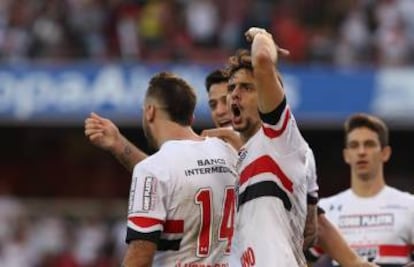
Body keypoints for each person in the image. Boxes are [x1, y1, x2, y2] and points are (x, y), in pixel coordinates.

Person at [85, 65, 375, 267]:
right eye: (213, 105)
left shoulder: (277, 151)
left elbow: (315, 227)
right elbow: (172, 179)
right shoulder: (222, 153)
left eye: (230, 97)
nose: (222, 109)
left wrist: (353, 262)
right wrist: (120, 145)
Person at [121, 72, 238, 266]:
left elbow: (140, 254)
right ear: (191, 117)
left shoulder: (151, 169)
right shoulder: (229, 152)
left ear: (150, 111)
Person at [315, 113, 414, 266]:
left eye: (369, 144)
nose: (361, 151)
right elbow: (301, 259)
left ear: (385, 153)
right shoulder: (325, 210)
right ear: (346, 155)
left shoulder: (410, 206)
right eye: (354, 145)